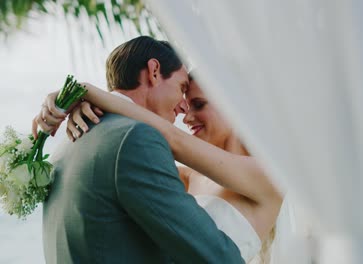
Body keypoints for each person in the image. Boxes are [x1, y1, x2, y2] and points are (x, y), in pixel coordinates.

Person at [33, 36, 244, 264]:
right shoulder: (136, 139)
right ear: (154, 71)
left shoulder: (68, 143)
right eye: (181, 87)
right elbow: (214, 254)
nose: (183, 107)